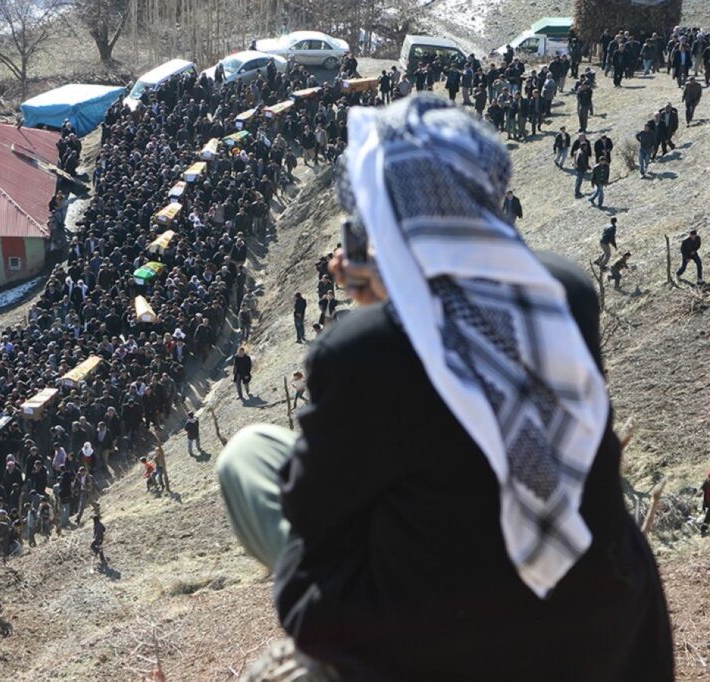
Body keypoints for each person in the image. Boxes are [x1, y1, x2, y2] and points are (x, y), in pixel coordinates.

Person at [216, 96, 672, 680]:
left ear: (378, 221)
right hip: (606, 623)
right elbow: (468, 338)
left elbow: (311, 507)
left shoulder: (360, 351)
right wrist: (399, 290)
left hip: (442, 645)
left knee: (247, 458)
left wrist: (378, 308)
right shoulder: (567, 294)